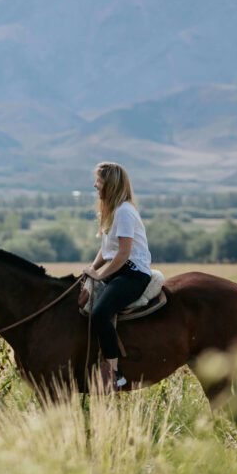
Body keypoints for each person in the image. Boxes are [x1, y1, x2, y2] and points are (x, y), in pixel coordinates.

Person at [78, 162, 152, 391]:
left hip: (132, 274)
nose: (95, 185)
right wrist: (91, 270)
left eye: (99, 181)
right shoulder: (112, 210)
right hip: (117, 269)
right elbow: (107, 248)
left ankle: (114, 373)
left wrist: (99, 275)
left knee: (100, 313)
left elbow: (123, 254)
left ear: (109, 184)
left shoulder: (125, 213)